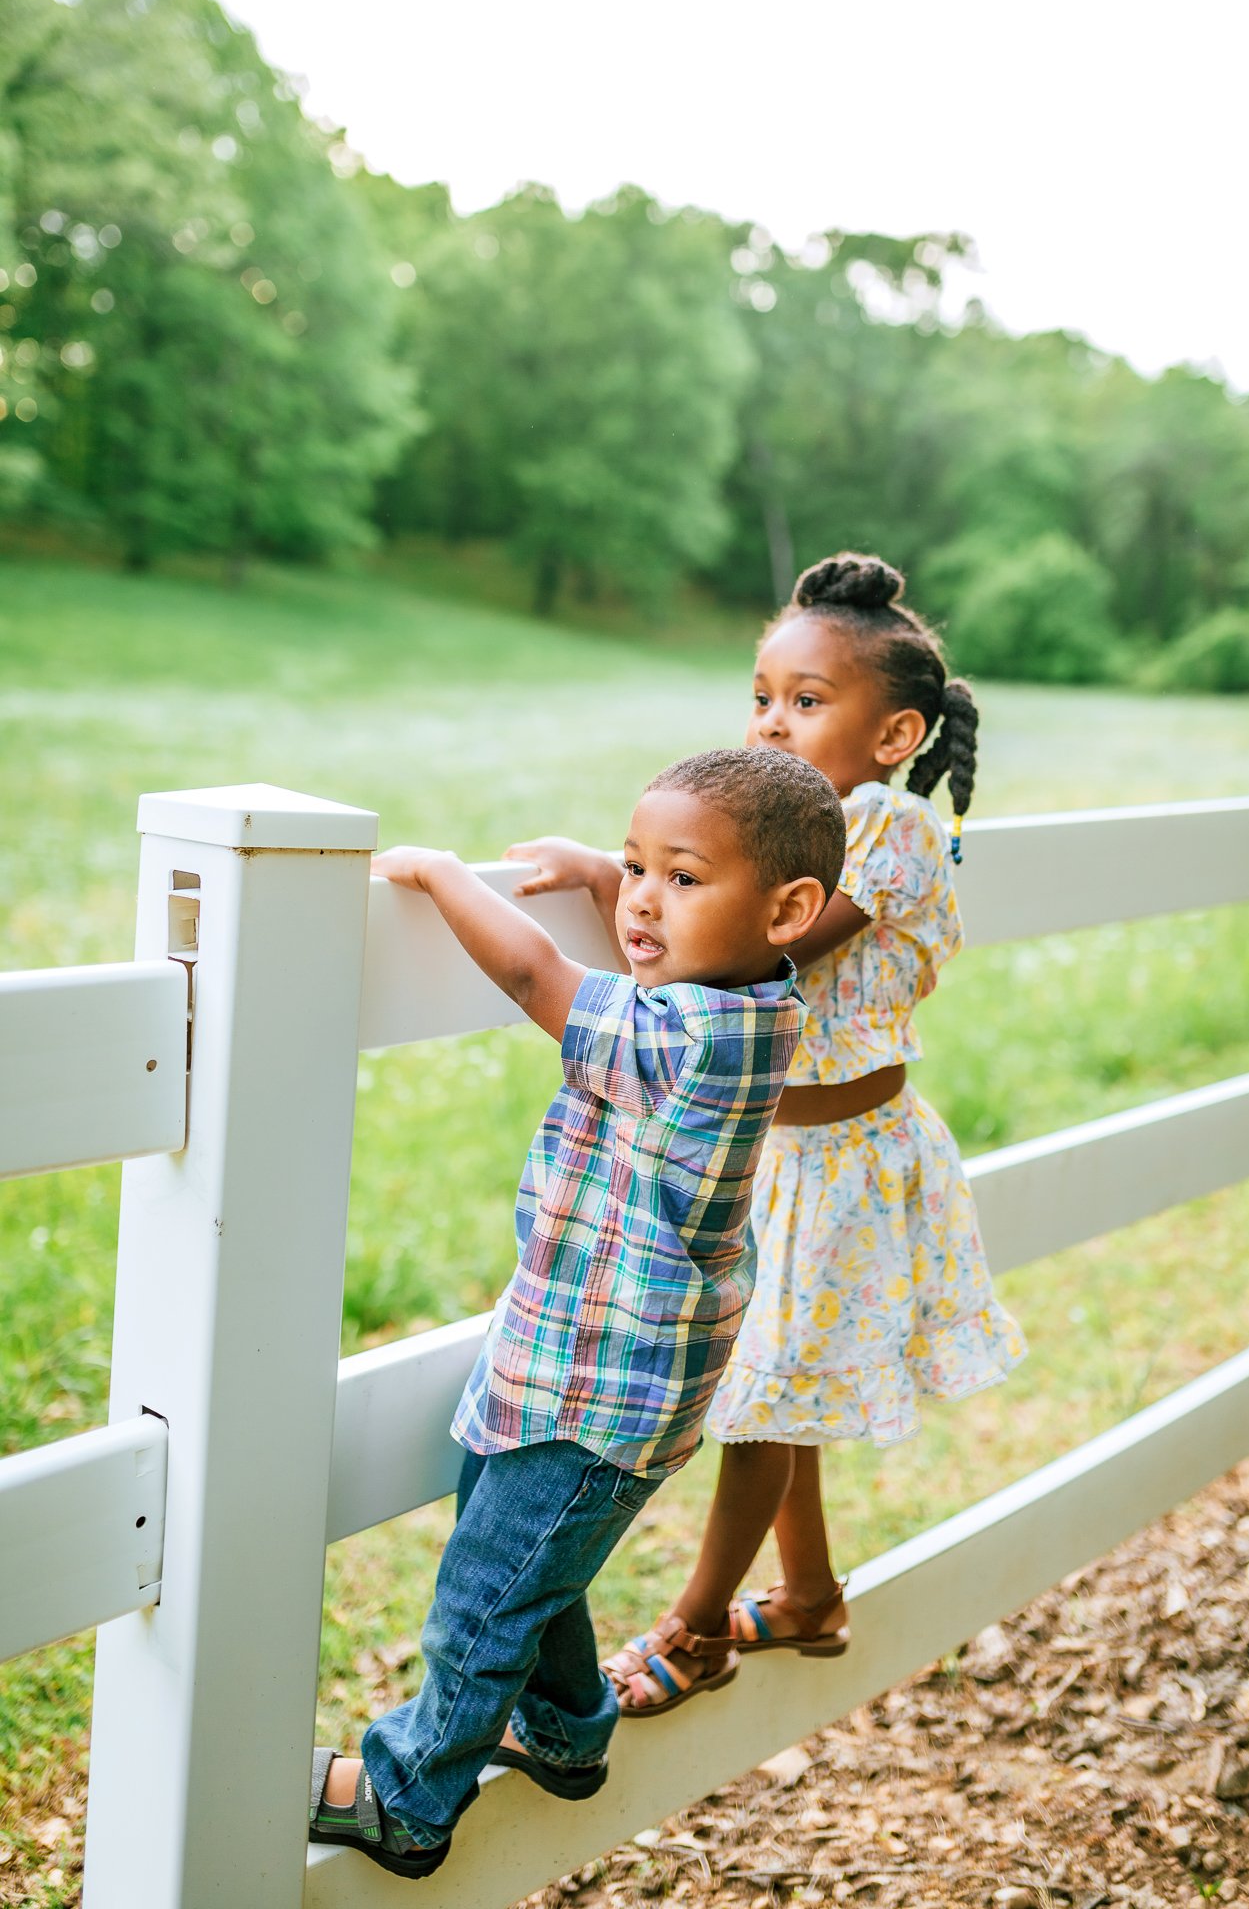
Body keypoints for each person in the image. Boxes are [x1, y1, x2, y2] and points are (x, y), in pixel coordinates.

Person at [308, 746, 845, 1878]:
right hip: (572, 1350)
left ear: (790, 906)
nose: (646, 897)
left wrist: (451, 875)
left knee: (483, 1596)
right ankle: (563, 1728)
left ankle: (408, 1796)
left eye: (682, 876)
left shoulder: (695, 1037)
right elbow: (665, 932)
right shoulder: (748, 993)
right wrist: (610, 872)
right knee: (518, 1564)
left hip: (607, 1382)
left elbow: (534, 977)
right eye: (639, 863)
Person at [511, 552, 1026, 1718]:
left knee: (759, 1403)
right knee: (771, 1382)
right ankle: (808, 1594)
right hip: (773, 1155)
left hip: (844, 1161)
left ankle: (695, 1629)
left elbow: (751, 951)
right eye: (761, 695)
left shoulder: (884, 828)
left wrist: (616, 876)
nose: (772, 722)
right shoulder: (797, 829)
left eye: (807, 700)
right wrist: (641, 871)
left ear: (894, 732)